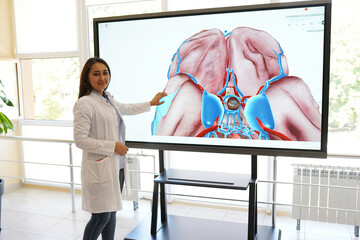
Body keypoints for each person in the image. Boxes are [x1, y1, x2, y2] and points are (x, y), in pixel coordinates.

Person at [73, 57, 166, 240]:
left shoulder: (108, 98)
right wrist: (112, 146)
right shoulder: (85, 103)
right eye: (96, 74)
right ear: (87, 78)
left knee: (112, 212)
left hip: (118, 167)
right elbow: (80, 140)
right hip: (100, 167)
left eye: (105, 73)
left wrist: (151, 103)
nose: (102, 78)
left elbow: (127, 108)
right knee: (101, 217)